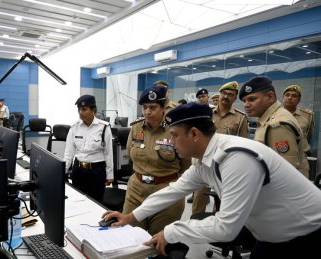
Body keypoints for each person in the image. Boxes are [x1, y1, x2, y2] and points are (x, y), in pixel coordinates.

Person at [103, 102, 321, 259]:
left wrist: (171, 232)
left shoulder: (237, 158)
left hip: (305, 237)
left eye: (175, 135)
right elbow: (173, 190)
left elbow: (226, 228)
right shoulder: (206, 160)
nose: (171, 141)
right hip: (271, 237)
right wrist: (131, 216)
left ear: (194, 134)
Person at [123, 85, 190, 235]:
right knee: (130, 239)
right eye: (144, 107)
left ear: (163, 108)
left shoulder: (175, 129)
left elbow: (186, 165)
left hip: (166, 195)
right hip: (136, 192)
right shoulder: (136, 128)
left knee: (158, 242)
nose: (147, 111)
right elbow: (130, 152)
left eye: (152, 107)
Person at [192, 81, 248, 214]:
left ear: (235, 98)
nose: (226, 96)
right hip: (205, 163)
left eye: (230, 94)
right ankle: (196, 229)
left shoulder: (240, 118)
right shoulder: (206, 114)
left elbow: (243, 144)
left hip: (226, 166)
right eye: (223, 93)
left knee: (223, 204)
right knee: (198, 201)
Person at [239, 76, 309, 178]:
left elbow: (285, 172)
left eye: (252, 99)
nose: (246, 105)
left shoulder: (278, 124)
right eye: (244, 101)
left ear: (270, 97)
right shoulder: (269, 118)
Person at [63, 95, 113, 202]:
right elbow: (69, 153)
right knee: (77, 201)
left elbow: (108, 153)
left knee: (96, 202)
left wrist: (110, 174)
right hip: (78, 170)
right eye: (79, 110)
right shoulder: (74, 127)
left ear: (93, 110)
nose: (81, 112)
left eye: (84, 109)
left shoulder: (104, 127)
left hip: (96, 171)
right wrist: (62, 171)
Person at [282, 84, 314, 152]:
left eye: (294, 96)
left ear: (299, 100)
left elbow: (308, 136)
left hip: (300, 155)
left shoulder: (308, 116)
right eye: (287, 95)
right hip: (280, 154)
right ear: (283, 98)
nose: (290, 98)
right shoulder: (274, 114)